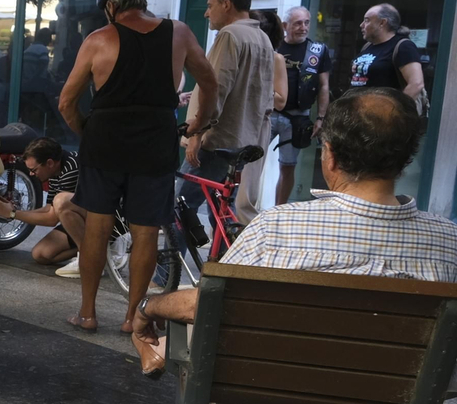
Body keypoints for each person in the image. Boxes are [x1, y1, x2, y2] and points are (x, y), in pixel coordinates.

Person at [132, 87, 457, 375]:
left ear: (329, 157)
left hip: (272, 378)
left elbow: (205, 304)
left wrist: (149, 307)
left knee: (192, 336)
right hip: (398, 387)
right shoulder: (449, 242)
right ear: (406, 160)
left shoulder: (276, 227)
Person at [59, 0, 217, 335]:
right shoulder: (178, 33)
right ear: (142, 1)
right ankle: (133, 318)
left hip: (105, 141)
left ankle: (87, 313)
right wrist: (198, 125)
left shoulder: (99, 39)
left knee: (97, 227)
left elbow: (67, 102)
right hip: (156, 140)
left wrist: (88, 132)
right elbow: (209, 82)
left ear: (112, 6)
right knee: (145, 232)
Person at [184, 0, 272, 225]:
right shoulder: (262, 38)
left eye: (210, 5)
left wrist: (197, 134)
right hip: (243, 141)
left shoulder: (231, 35)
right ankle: (224, 261)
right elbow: (265, 95)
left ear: (226, 4)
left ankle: (170, 265)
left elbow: (216, 89)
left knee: (181, 207)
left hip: (216, 142)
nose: (206, 12)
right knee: (222, 210)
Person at [273, 6, 331, 206]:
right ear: (285, 26)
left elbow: (324, 86)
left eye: (306, 22)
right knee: (249, 163)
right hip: (268, 114)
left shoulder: (317, 51)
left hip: (297, 117)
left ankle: (278, 211)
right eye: (298, 23)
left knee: (287, 167)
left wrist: (321, 118)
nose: (303, 27)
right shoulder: (274, 47)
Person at [0, 136, 83, 268]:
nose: (31, 174)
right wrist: (16, 211)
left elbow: (52, 219)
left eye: (33, 170)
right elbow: (48, 208)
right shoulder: (55, 169)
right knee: (40, 254)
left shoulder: (71, 168)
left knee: (61, 201)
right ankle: (98, 251)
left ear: (49, 163)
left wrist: (12, 214)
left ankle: (89, 258)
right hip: (83, 217)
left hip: (104, 218)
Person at [350, 3, 425, 103]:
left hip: (382, 114)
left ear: (382, 23)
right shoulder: (367, 47)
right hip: (359, 111)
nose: (361, 25)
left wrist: (394, 111)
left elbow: (416, 84)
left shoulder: (403, 46)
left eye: (367, 20)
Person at [20, 27, 57, 135]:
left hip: (26, 85)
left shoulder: (29, 49)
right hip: (36, 87)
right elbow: (41, 68)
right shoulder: (42, 49)